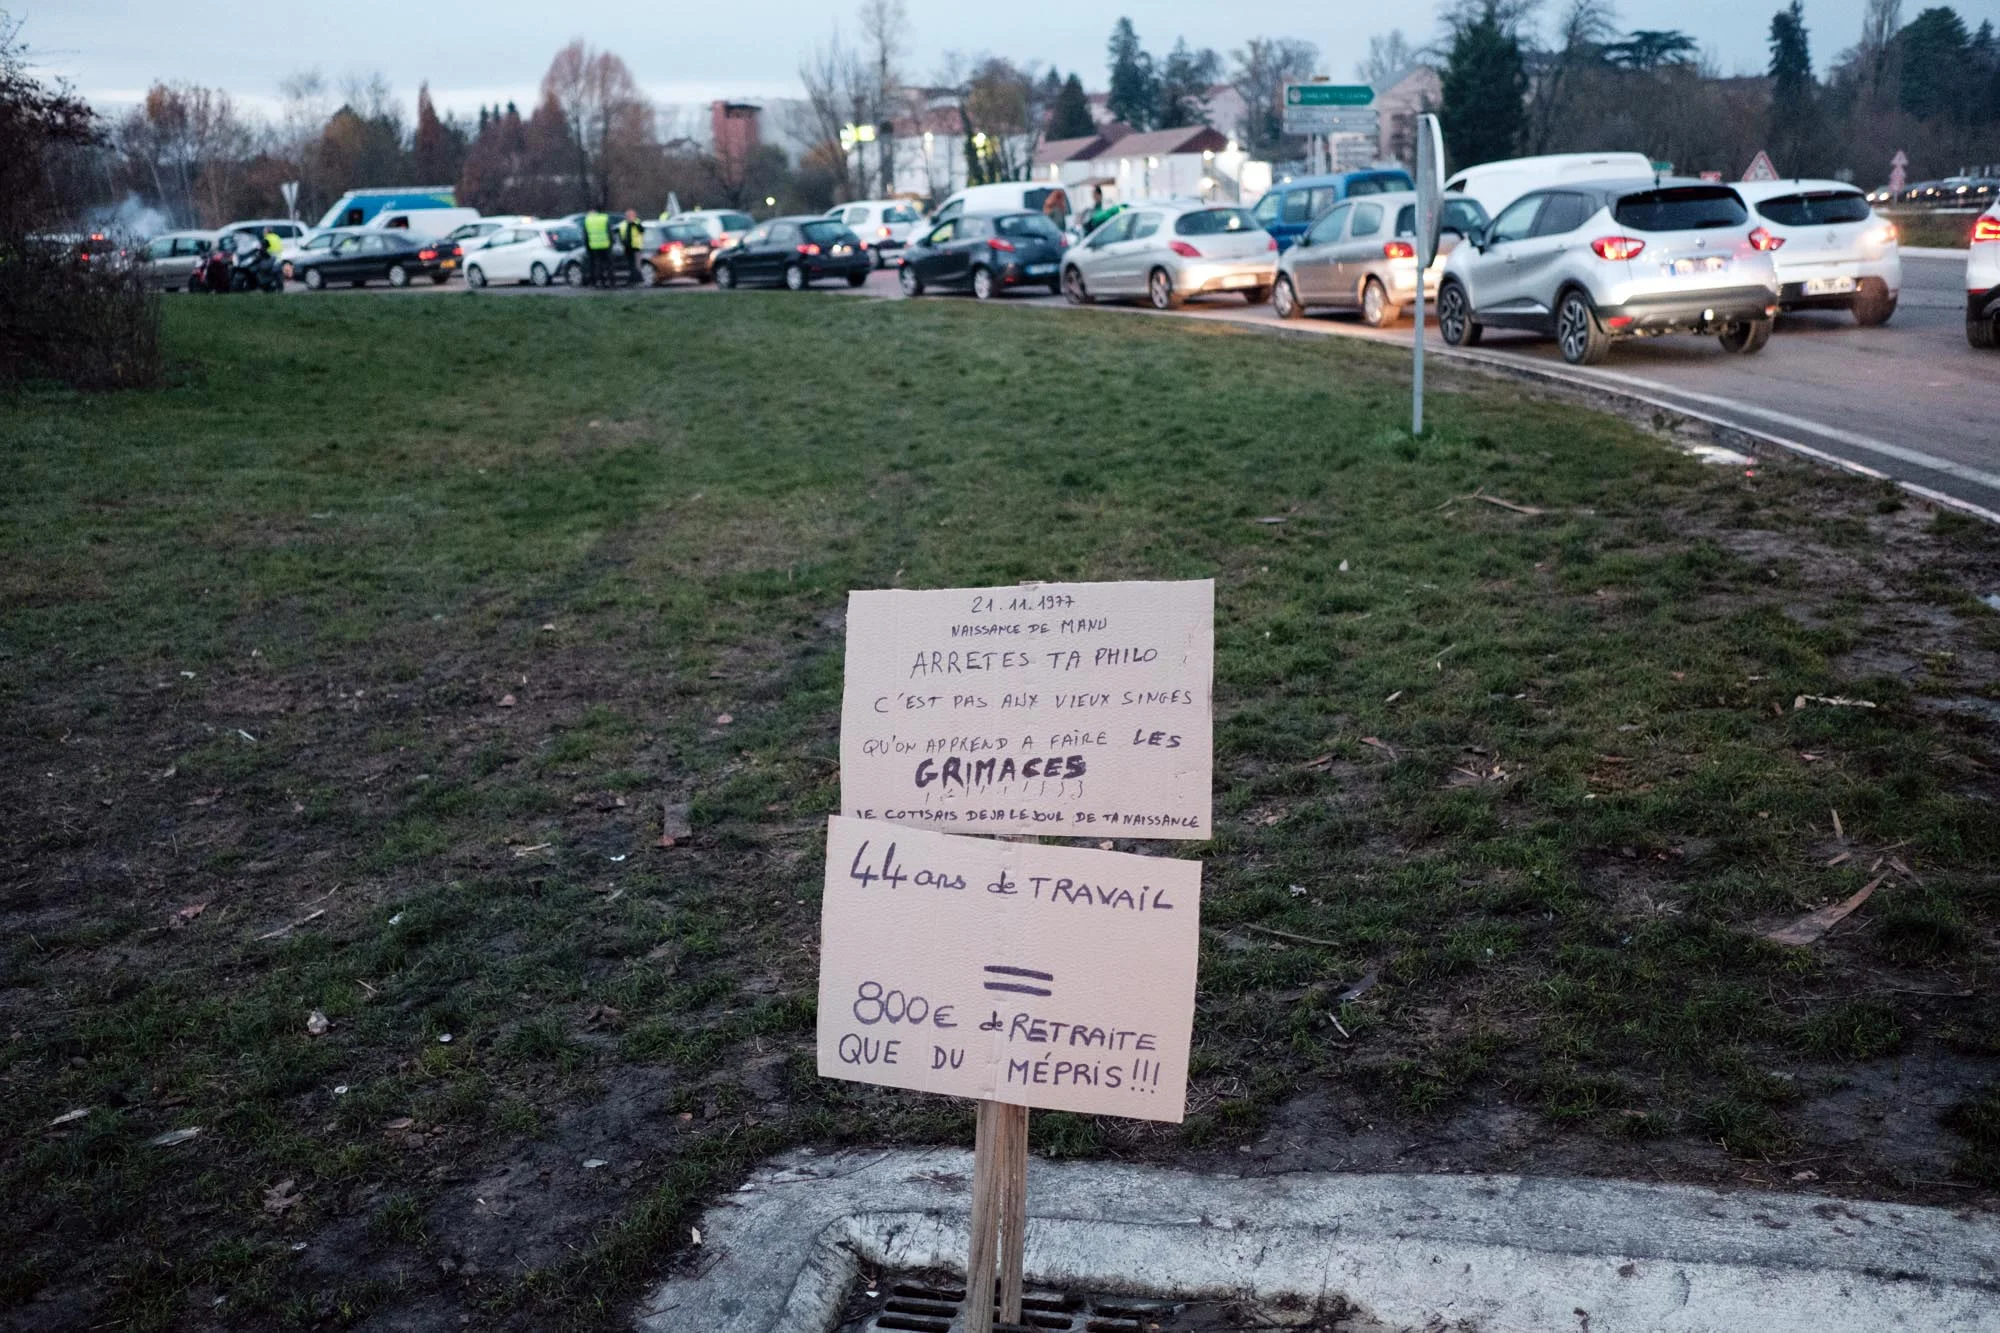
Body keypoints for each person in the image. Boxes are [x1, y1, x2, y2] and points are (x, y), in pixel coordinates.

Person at [582, 205, 613, 287]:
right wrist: (611, 242)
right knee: (608, 264)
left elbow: (585, 234)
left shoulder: (588, 220)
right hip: (605, 244)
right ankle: (610, 281)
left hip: (594, 245)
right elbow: (609, 232)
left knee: (598, 264)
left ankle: (599, 281)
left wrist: (587, 245)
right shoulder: (605, 218)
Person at [617, 209, 645, 286]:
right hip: (627, 247)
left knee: (636, 265)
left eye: (631, 215)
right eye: (628, 215)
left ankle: (636, 280)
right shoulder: (623, 224)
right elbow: (621, 235)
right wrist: (623, 243)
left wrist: (634, 223)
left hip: (636, 247)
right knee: (631, 265)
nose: (629, 217)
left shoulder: (637, 223)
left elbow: (642, 230)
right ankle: (634, 280)